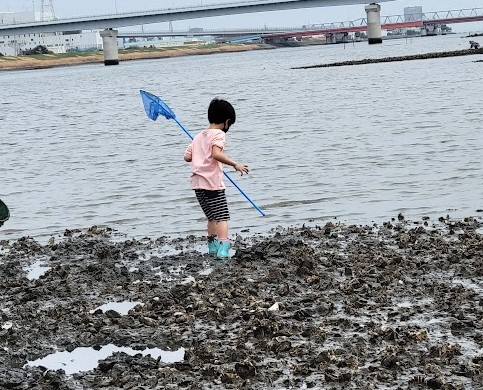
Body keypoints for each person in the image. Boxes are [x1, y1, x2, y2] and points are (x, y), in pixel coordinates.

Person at [184, 98, 249, 258]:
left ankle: (212, 247)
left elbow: (187, 157)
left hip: (197, 184)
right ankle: (223, 247)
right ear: (226, 122)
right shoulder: (218, 134)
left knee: (211, 217)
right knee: (222, 217)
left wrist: (199, 151)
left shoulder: (199, 136)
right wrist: (235, 164)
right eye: (230, 124)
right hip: (212, 184)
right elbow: (216, 154)